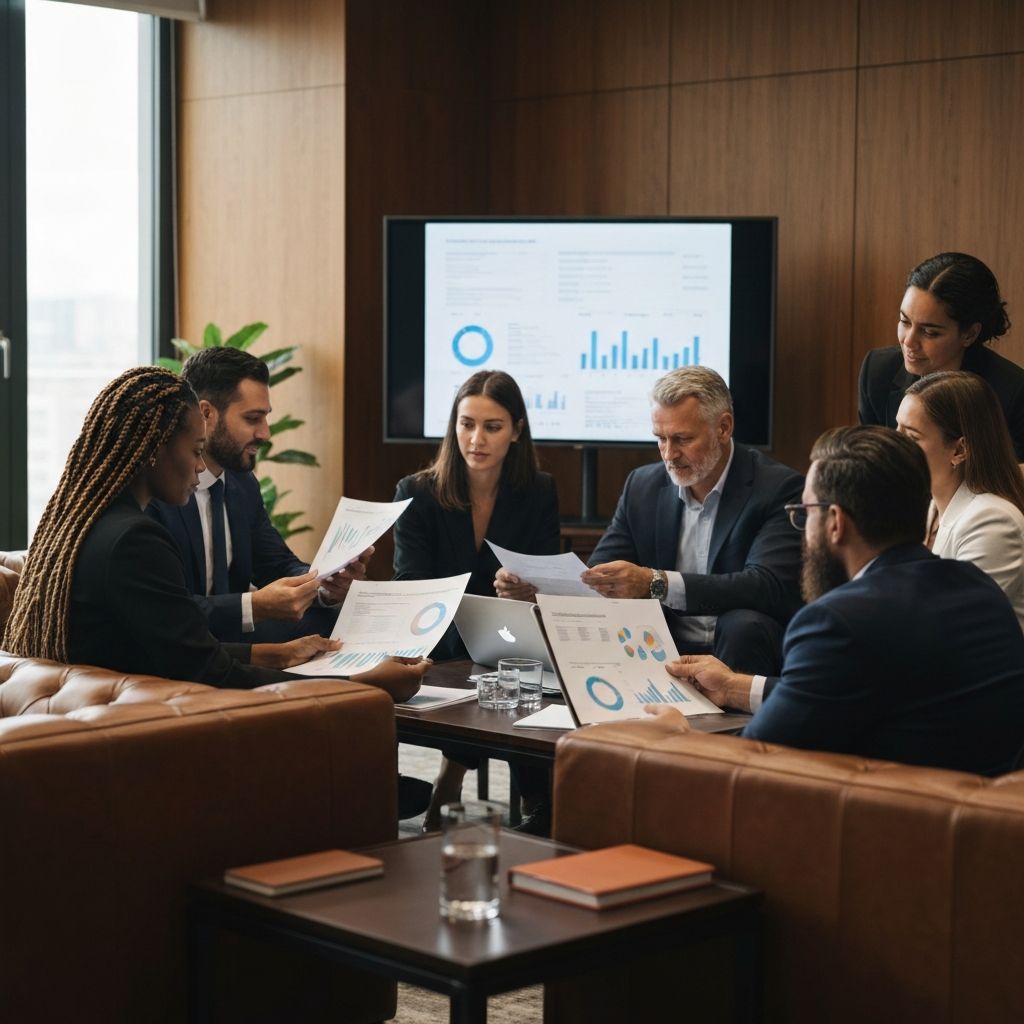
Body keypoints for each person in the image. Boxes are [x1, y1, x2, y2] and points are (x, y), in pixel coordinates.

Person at [2, 367, 426, 703]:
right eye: (195, 451)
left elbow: (173, 645)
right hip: (148, 726)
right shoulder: (135, 540)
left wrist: (278, 653)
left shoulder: (92, 521)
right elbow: (210, 672)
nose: (201, 467)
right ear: (154, 450)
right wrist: (361, 684)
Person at [661, 425, 1024, 777]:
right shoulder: (977, 587)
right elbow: (857, 693)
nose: (803, 532)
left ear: (835, 522)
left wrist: (678, 738)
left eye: (805, 513)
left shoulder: (838, 621)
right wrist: (734, 687)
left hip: (893, 812)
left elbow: (752, 765)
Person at [393, 369, 560, 831]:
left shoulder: (538, 491)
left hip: (508, 633)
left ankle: (469, 782)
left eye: (492, 427)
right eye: (466, 424)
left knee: (516, 661)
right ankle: (520, 793)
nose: (476, 439)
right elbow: (411, 582)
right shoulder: (417, 492)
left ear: (517, 431)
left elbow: (545, 573)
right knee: (497, 665)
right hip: (438, 631)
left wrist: (525, 589)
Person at [579, 366, 803, 676]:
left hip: (738, 643)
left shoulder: (778, 488)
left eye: (682, 439)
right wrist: (543, 587)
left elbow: (765, 586)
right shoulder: (642, 486)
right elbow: (602, 570)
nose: (669, 454)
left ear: (723, 428)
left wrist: (657, 583)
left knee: (743, 625)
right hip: (661, 641)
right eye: (661, 439)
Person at [149, 346, 372, 643]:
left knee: (330, 621)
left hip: (233, 633)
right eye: (253, 419)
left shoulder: (242, 483)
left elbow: (277, 564)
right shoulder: (158, 491)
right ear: (206, 414)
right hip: (178, 640)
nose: (265, 434)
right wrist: (253, 606)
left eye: (265, 418)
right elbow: (166, 608)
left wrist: (325, 583)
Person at [859, 252, 1024, 459]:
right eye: (905, 321)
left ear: (970, 334)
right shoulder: (878, 371)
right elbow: (868, 463)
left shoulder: (1012, 391)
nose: (908, 341)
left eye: (929, 332)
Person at [896, 371, 1024, 631]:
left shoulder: (993, 520)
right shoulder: (928, 506)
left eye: (911, 437)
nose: (893, 443)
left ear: (959, 450)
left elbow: (952, 625)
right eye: (896, 428)